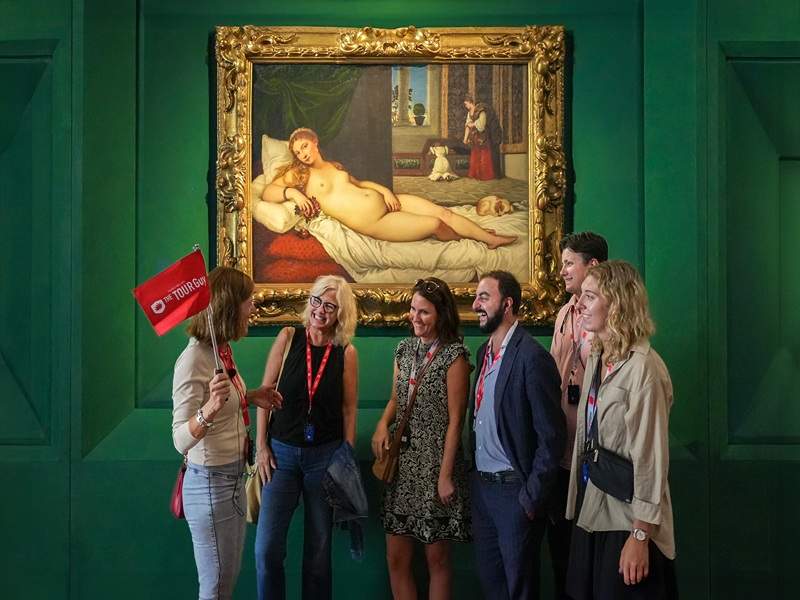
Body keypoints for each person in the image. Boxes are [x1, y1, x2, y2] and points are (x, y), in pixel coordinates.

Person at [566, 260, 677, 600]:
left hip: (627, 522)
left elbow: (651, 458)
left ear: (616, 303)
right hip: (593, 512)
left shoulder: (643, 368)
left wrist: (641, 536)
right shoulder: (600, 356)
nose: (580, 305)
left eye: (590, 296)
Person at [171, 266, 282, 600]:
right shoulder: (193, 360)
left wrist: (251, 396)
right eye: (249, 300)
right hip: (209, 485)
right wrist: (209, 409)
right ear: (229, 305)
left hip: (232, 481)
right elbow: (179, 438)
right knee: (216, 589)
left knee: (224, 585)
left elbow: (224, 404)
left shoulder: (219, 351)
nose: (253, 307)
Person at [254, 274, 359, 600]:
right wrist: (260, 447)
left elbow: (348, 409)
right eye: (316, 300)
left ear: (341, 314)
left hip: (325, 459)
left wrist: (347, 457)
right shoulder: (287, 337)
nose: (320, 310)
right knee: (267, 549)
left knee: (318, 553)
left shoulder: (346, 352)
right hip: (280, 455)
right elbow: (264, 396)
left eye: (330, 306)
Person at [372, 277, 471, 600]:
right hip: (401, 467)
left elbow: (457, 420)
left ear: (441, 315)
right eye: (413, 310)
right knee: (396, 557)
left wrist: (445, 476)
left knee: (436, 559)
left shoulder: (455, 356)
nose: (415, 317)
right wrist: (381, 425)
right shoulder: (404, 349)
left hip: (434, 466)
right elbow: (394, 400)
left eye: (424, 312)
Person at [468, 270, 565, 600]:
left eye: (484, 297)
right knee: (492, 586)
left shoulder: (532, 358)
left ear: (507, 304)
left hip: (515, 494)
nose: (475, 304)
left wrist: (531, 497)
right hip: (482, 492)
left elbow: (551, 437)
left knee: (519, 591)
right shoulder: (483, 354)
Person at [262, 127, 516, 249]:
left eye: (304, 146)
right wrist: (292, 192)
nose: (302, 154)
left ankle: (487, 237)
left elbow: (360, 185)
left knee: (443, 213)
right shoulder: (300, 174)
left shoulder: (334, 165)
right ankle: (470, 238)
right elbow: (268, 192)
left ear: (314, 142)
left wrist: (385, 191)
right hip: (376, 222)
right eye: (297, 152)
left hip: (386, 201)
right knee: (434, 224)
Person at [548, 232, 608, 599]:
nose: (562, 270)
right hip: (560, 453)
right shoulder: (563, 313)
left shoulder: (610, 320)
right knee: (562, 555)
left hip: (595, 457)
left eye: (569, 262)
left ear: (593, 266)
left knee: (593, 557)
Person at [463, 94, 501, 181]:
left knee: (484, 155)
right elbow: (467, 126)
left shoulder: (481, 110)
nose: (465, 106)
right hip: (475, 137)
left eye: (466, 104)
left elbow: (481, 126)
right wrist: (465, 138)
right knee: (475, 154)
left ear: (470, 102)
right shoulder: (469, 113)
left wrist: (472, 124)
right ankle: (476, 174)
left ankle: (485, 175)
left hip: (483, 136)